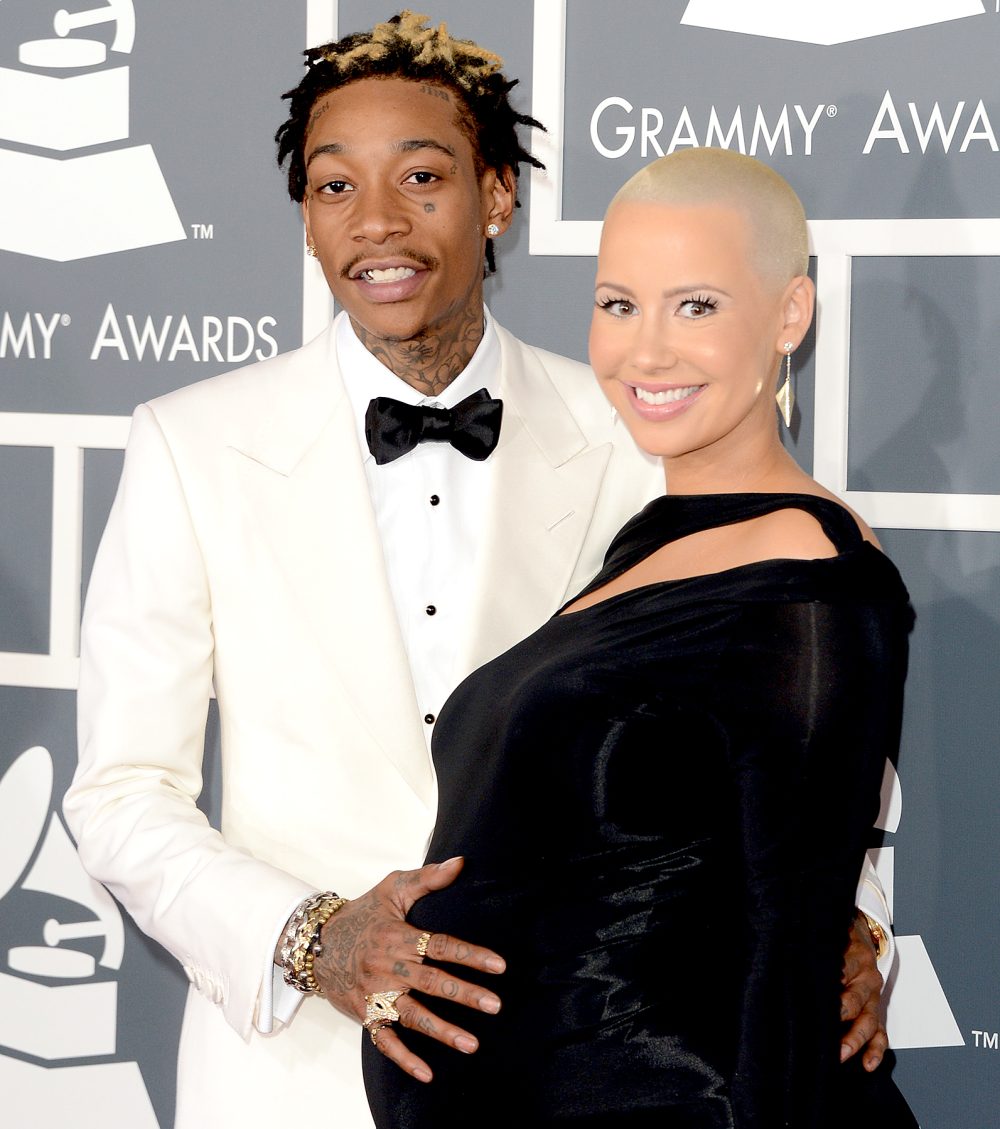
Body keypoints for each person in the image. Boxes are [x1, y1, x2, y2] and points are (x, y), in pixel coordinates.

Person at [63, 13, 892, 1128]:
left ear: (497, 193)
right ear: (305, 220)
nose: (378, 225)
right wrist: (311, 938)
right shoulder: (189, 442)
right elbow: (120, 794)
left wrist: (852, 921)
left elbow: (796, 710)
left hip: (586, 1070)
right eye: (333, 187)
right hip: (288, 1074)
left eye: (421, 176)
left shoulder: (636, 428)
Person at [362, 148, 917, 1126]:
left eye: (694, 306)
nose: (644, 350)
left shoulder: (810, 582)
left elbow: (787, 974)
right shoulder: (643, 544)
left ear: (788, 314)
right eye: (617, 304)